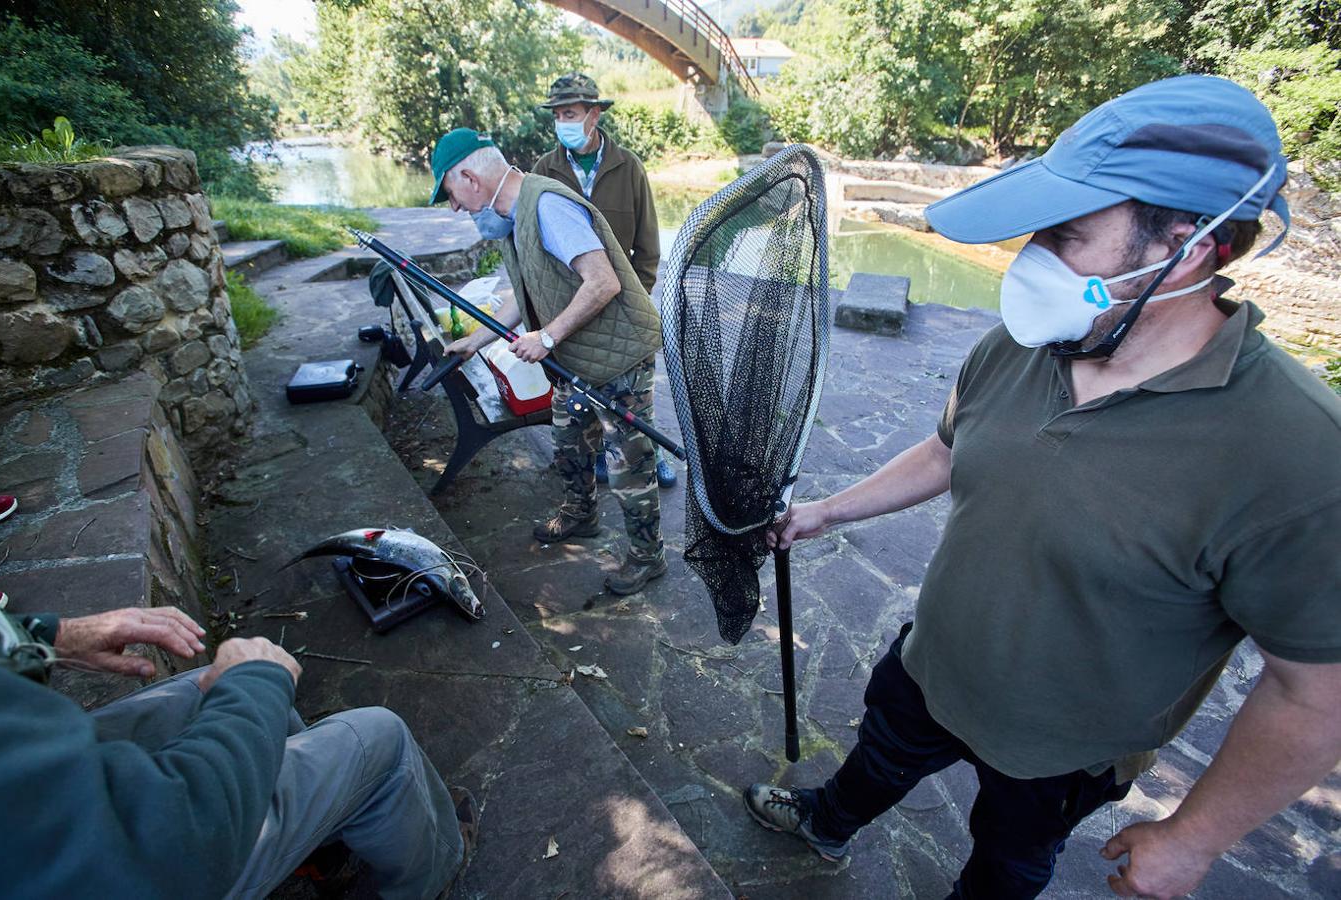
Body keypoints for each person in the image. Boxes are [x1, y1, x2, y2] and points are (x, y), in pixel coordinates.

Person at [743, 75, 1341, 899]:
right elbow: (947, 450)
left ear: (1190, 247)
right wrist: (823, 512)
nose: (1031, 264)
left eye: (1066, 235)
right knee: (875, 760)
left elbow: (1314, 696)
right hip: (934, 667)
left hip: (1061, 749)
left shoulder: (1298, 451)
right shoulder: (1018, 347)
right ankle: (828, 822)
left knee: (1007, 865)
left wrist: (1194, 838)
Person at [0, 603, 477, 898]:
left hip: (54, 790)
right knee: (379, 737)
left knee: (195, 692)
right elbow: (165, 845)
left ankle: (322, 850)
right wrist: (256, 686)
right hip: (146, 861)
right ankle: (436, 871)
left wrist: (42, 635)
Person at [434, 128, 669, 596]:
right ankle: (581, 514)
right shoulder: (511, 218)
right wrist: (476, 341)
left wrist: (547, 336)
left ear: (469, 177)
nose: (455, 206)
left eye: (450, 194)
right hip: (575, 359)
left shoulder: (546, 206)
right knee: (568, 443)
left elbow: (604, 283)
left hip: (618, 355)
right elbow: (526, 293)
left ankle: (648, 557)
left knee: (629, 467)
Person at [531, 72, 677, 489]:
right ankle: (596, 456)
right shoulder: (545, 169)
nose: (563, 122)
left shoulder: (628, 166)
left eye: (571, 113)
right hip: (570, 310)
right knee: (583, 393)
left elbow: (648, 249)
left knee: (636, 398)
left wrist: (631, 299)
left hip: (622, 307)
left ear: (594, 115)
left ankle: (651, 457)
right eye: (558, 115)